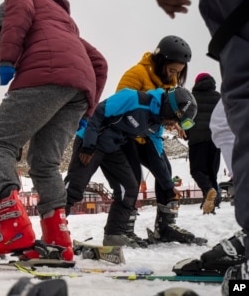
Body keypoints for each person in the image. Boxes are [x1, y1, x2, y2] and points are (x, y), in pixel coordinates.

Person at [0, 0, 108, 262]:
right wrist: (87, 111)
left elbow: (19, 14)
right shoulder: (66, 28)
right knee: (44, 162)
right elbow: (99, 63)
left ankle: (12, 227)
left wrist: (7, 58)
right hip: (80, 89)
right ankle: (58, 240)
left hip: (45, 76)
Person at [145, 0, 249, 290]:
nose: (174, 74)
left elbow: (178, 117)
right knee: (191, 168)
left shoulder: (166, 87)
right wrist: (179, 123)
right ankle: (207, 195)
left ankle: (205, 195)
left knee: (191, 169)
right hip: (207, 141)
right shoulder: (208, 96)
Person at [67, 35, 194, 247]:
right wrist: (88, 144)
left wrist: (168, 186)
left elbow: (158, 140)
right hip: (107, 139)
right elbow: (103, 113)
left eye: (178, 72)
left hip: (127, 139)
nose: (174, 76)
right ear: (161, 62)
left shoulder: (166, 100)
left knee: (138, 182)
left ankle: (120, 233)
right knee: (77, 187)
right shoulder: (135, 86)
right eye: (172, 70)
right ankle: (54, 228)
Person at [186, 73, 221, 214]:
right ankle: (211, 205)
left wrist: (187, 134)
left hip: (197, 139)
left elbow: (186, 118)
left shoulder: (191, 96)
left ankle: (208, 191)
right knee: (212, 173)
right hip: (215, 140)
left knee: (197, 170)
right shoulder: (218, 97)